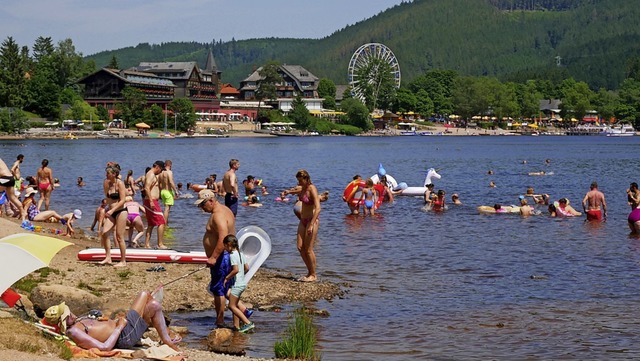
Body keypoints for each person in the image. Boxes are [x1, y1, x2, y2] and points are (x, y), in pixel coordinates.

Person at [45, 291, 180, 352]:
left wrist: (112, 321)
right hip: (124, 336)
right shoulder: (74, 331)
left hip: (124, 328)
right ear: (63, 321)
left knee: (150, 301)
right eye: (68, 314)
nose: (72, 314)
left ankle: (167, 337)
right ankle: (168, 340)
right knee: (149, 300)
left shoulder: (76, 323)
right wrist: (119, 327)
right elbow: (104, 347)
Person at [194, 189, 236, 327]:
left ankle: (220, 320)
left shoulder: (218, 215)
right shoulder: (226, 210)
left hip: (222, 258)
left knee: (218, 290)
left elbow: (223, 237)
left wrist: (213, 257)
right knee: (225, 288)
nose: (201, 208)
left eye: (203, 204)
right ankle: (243, 312)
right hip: (227, 256)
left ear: (211, 201)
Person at [223, 234, 255, 333]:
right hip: (242, 283)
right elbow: (247, 268)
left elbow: (235, 270)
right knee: (235, 305)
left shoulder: (232, 255)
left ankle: (248, 323)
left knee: (231, 306)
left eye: (225, 246)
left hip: (236, 285)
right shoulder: (241, 254)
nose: (225, 249)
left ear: (229, 245)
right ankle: (236, 326)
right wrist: (241, 275)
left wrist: (226, 278)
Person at [293, 170, 320, 282]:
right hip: (303, 220)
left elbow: (318, 208)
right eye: (298, 180)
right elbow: (295, 190)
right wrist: (287, 192)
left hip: (312, 221)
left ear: (306, 179)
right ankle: (309, 271)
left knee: (308, 249)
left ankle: (313, 275)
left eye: (300, 180)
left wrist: (311, 225)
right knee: (300, 247)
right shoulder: (302, 188)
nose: (299, 183)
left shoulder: (312, 188)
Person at [100, 163, 128, 267]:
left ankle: (123, 261)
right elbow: (107, 198)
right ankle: (108, 257)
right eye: (106, 173)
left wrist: (112, 210)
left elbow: (123, 200)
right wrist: (107, 209)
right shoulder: (107, 183)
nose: (106, 175)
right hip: (111, 211)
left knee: (119, 236)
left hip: (121, 211)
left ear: (114, 174)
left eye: (108, 173)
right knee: (104, 233)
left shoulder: (120, 183)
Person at [144, 161, 167, 249]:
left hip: (151, 200)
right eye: (161, 169)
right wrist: (151, 201)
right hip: (151, 201)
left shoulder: (152, 174)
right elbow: (146, 187)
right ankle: (160, 244)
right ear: (157, 167)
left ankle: (147, 244)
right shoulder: (151, 174)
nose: (161, 172)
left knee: (151, 224)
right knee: (161, 221)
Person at [158, 160, 177, 225]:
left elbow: (159, 183)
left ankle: (166, 222)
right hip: (168, 191)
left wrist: (160, 192)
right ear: (170, 165)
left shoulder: (161, 173)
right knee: (167, 208)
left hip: (163, 191)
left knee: (166, 207)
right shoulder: (169, 172)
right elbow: (171, 182)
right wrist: (176, 191)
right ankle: (164, 223)